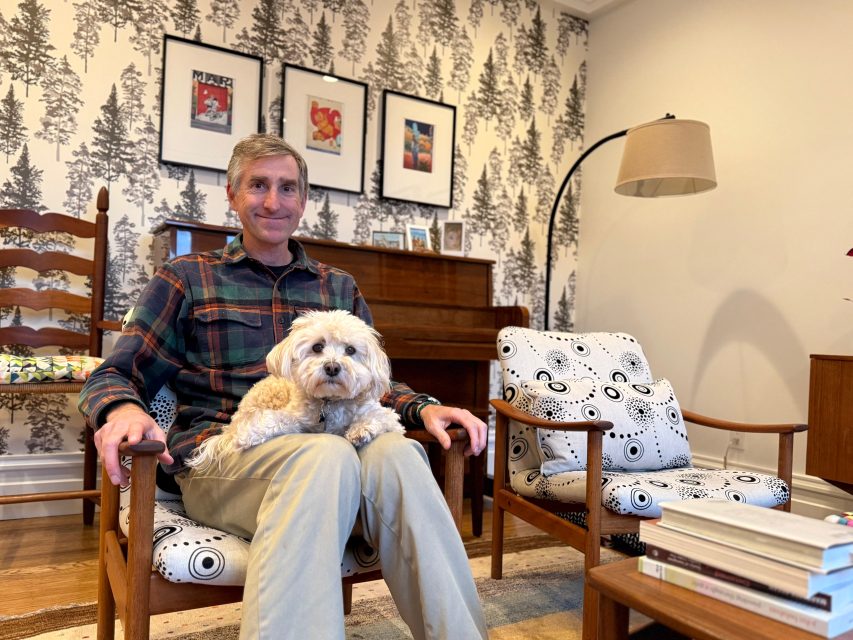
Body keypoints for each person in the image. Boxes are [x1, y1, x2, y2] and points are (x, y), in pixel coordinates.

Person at [79, 133, 489, 640]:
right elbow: (117, 370)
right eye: (258, 185)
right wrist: (121, 409)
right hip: (225, 461)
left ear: (302, 201)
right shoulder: (187, 276)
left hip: (334, 466)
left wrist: (421, 408)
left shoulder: (337, 285)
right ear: (232, 194)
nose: (273, 201)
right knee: (325, 455)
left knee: (401, 454)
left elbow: (367, 382)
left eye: (287, 188)